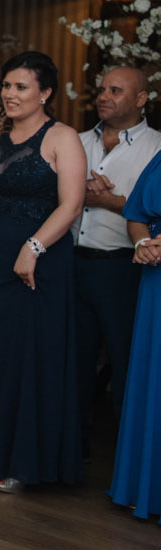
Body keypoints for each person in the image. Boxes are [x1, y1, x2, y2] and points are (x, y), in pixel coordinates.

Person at [0, 51, 86, 493]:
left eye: (21, 87)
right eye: (6, 85)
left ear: (45, 93)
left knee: (28, 360)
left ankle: (22, 463)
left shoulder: (63, 137)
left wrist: (34, 247)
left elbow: (72, 204)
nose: (10, 94)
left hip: (38, 265)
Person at [73, 67, 161, 440]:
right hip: (73, 263)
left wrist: (110, 201)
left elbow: (151, 212)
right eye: (101, 89)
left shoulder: (157, 148)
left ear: (142, 99)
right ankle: (70, 447)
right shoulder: (74, 141)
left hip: (125, 267)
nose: (104, 96)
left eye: (116, 90)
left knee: (127, 362)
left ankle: (127, 456)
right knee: (72, 361)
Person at [108, 147, 161, 521]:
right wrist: (143, 243)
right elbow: (136, 214)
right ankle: (147, 488)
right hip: (156, 280)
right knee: (151, 379)